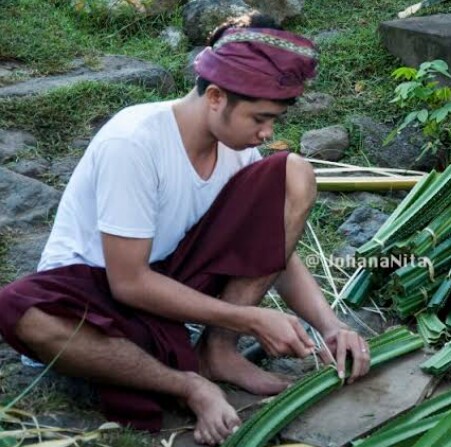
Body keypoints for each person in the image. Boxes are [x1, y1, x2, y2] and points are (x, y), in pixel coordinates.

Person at [0, 14, 370, 446]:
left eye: (274, 120)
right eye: (259, 118)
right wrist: (250, 318)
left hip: (174, 286)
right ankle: (189, 384)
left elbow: (274, 250)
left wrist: (329, 325)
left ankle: (218, 352)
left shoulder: (236, 151)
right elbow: (128, 282)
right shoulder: (134, 142)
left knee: (294, 173)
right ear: (215, 97)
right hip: (97, 292)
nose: (267, 132)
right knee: (24, 314)